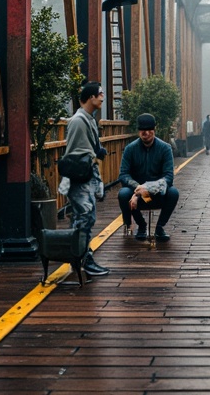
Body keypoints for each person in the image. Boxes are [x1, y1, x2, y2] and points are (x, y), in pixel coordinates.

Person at [59, 81, 110, 277]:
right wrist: (94, 153)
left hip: (85, 175)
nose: (103, 98)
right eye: (100, 94)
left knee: (84, 217)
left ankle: (79, 257)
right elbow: (77, 151)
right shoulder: (79, 120)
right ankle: (83, 259)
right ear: (91, 97)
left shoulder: (87, 119)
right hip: (80, 176)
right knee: (84, 217)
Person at [118, 113, 179, 242]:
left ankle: (160, 227)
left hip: (157, 193)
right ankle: (140, 224)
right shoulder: (130, 149)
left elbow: (168, 177)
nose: (146, 133)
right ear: (138, 131)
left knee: (173, 192)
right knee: (123, 194)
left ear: (154, 130)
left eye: (149, 129)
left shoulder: (165, 148)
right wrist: (138, 189)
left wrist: (147, 187)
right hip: (139, 195)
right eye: (142, 130)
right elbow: (123, 175)